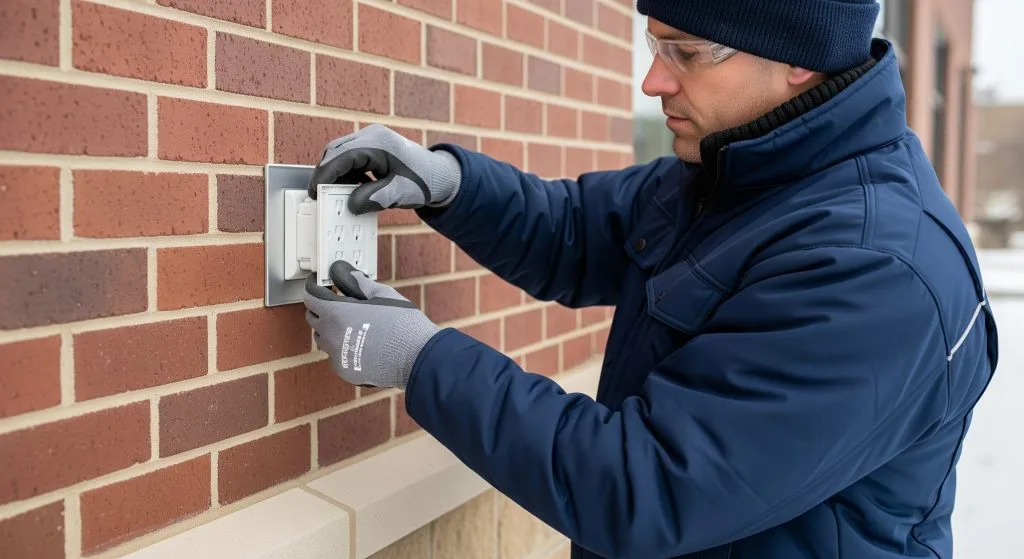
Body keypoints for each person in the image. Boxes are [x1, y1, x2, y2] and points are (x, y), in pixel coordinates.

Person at [301, 0, 1000, 557]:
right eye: (655, 44)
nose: (654, 81)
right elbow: (574, 230)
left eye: (687, 53)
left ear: (798, 58)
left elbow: (649, 484)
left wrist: (420, 359)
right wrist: (450, 184)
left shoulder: (875, 268)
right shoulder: (734, 173)